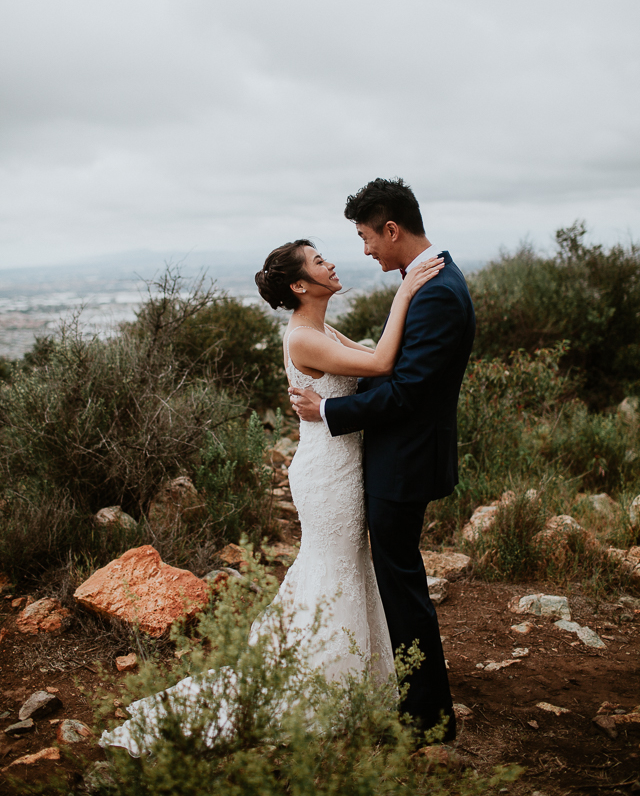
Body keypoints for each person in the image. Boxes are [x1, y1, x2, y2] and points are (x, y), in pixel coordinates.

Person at [100, 234, 443, 757]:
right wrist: (404, 295)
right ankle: (324, 686)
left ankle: (362, 681)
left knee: (350, 567)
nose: (331, 262)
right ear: (301, 284)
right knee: (333, 570)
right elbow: (378, 368)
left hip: (345, 466)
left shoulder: (322, 328)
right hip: (328, 474)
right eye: (318, 260)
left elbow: (381, 358)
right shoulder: (302, 338)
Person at [290, 178, 476, 742]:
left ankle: (427, 720)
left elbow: (410, 391)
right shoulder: (428, 280)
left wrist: (329, 413)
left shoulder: (438, 290)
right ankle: (408, 696)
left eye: (366, 236)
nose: (365, 249)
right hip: (395, 459)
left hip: (404, 464)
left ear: (391, 229)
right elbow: (391, 367)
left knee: (401, 585)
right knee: (395, 579)